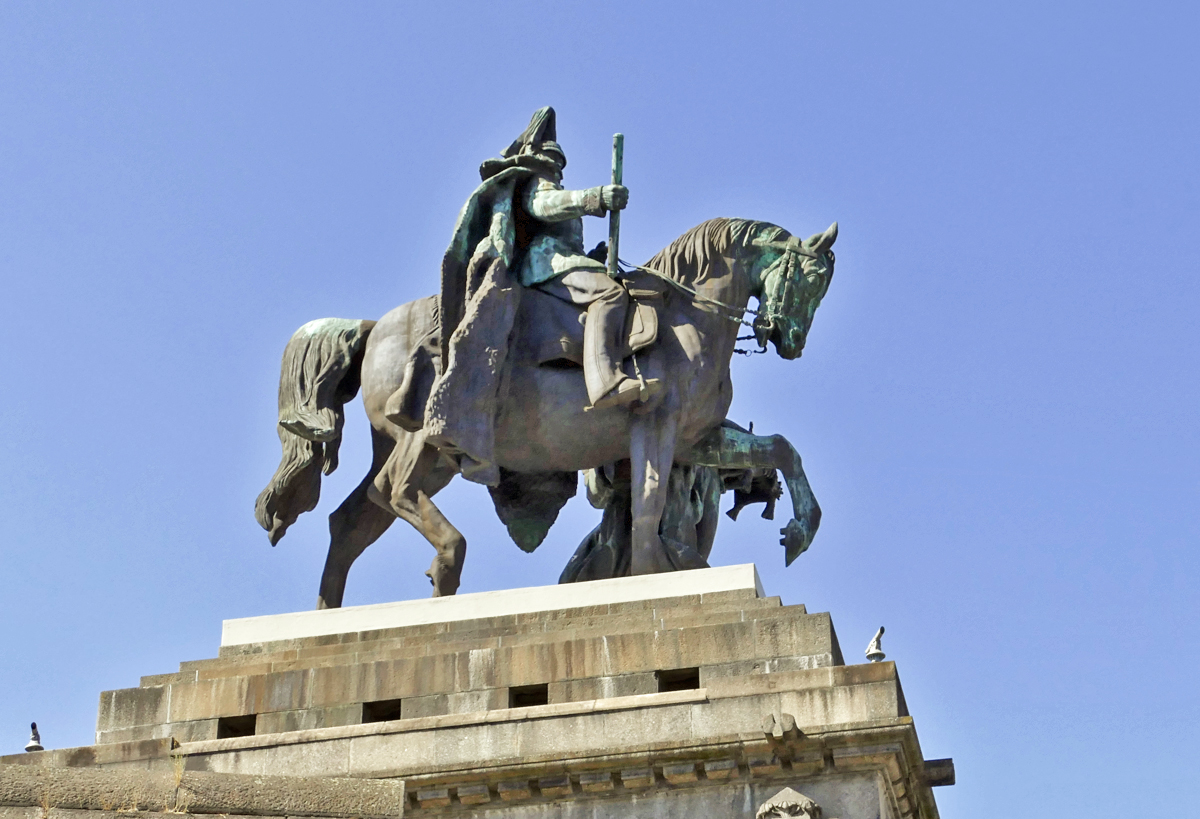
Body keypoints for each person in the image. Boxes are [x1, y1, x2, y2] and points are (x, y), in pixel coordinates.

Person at [501, 107, 660, 409]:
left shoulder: (552, 183)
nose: (558, 167)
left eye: (560, 162)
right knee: (611, 293)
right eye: (553, 160)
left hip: (563, 263)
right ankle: (605, 382)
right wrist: (596, 197)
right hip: (544, 265)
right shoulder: (537, 184)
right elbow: (545, 206)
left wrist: (594, 257)